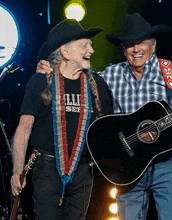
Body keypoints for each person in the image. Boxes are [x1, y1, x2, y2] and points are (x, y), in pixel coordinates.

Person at [37, 13, 172, 220]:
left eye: (141, 42)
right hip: (128, 164)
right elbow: (75, 79)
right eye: (129, 44)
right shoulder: (110, 75)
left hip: (167, 163)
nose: (135, 49)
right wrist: (53, 70)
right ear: (123, 49)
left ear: (153, 45)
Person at [10, 19, 113, 220]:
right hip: (47, 169)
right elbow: (23, 129)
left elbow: (107, 128)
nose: (91, 50)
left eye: (90, 45)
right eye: (85, 45)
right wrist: (16, 171)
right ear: (65, 52)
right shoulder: (40, 81)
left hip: (83, 170)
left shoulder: (97, 84)